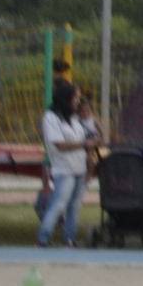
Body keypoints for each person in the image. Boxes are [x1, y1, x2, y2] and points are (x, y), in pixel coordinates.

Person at [37, 79, 96, 248]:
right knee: (58, 203)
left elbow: (86, 138)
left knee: (75, 206)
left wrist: (91, 149)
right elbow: (59, 144)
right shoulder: (51, 118)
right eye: (75, 97)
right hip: (64, 168)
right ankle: (43, 238)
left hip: (80, 167)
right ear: (66, 98)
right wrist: (85, 144)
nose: (78, 101)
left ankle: (69, 239)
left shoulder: (74, 118)